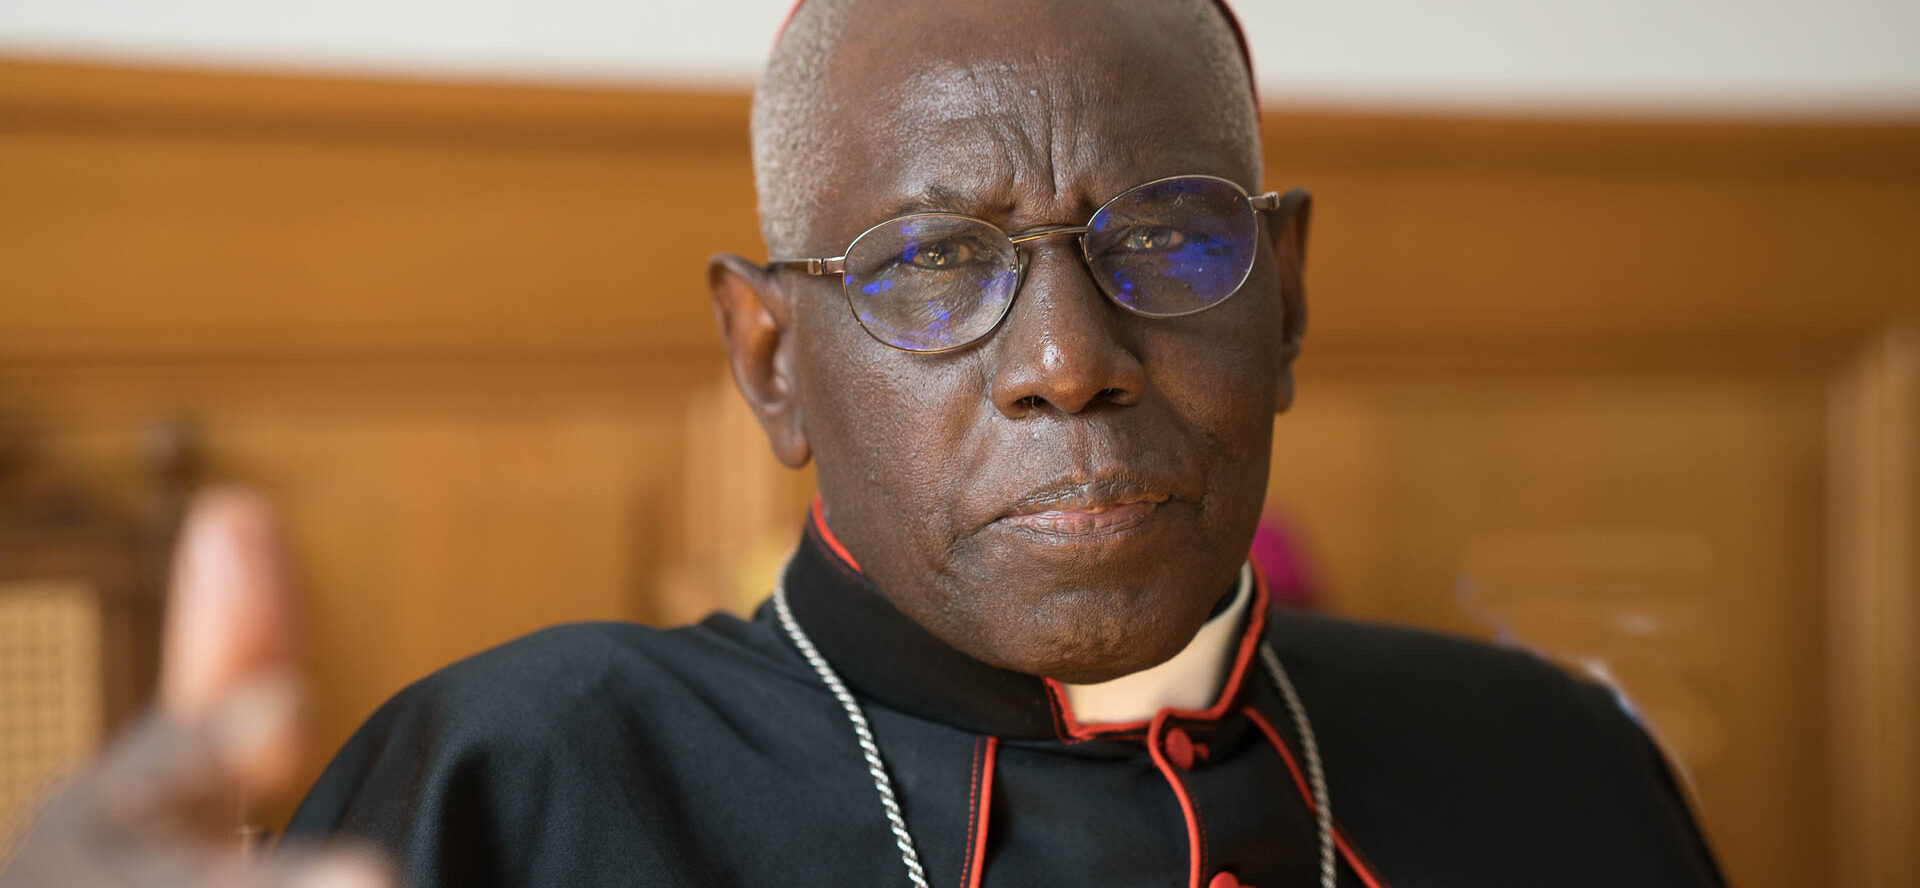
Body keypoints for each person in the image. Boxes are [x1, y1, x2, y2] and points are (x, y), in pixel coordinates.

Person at [1, 1, 1727, 886]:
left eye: (1169, 239)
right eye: (934, 264)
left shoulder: (1558, 775)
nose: (1070, 364)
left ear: (1283, 302)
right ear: (771, 363)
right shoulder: (512, 793)